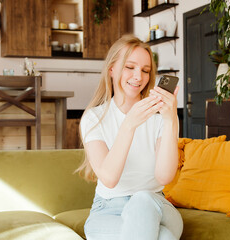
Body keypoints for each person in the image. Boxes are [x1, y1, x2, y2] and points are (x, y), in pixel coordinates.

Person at [77, 34, 183, 240]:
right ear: (111, 69)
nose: (138, 77)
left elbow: (164, 177)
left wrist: (171, 121)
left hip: (157, 205)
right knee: (163, 237)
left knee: (142, 199)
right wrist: (129, 125)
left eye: (145, 70)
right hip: (108, 210)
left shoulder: (162, 117)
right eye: (130, 67)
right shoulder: (94, 118)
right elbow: (109, 178)